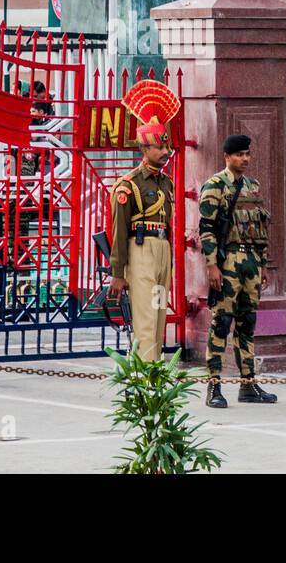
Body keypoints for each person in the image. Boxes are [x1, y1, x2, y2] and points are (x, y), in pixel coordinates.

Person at [199, 133, 277, 407]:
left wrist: (264, 264)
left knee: (247, 324)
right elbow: (206, 230)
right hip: (228, 262)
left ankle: (248, 385)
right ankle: (214, 387)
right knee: (221, 323)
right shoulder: (214, 186)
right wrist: (212, 265)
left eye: (247, 154)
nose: (245, 159)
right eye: (239, 155)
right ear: (227, 157)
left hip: (251, 264)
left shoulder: (253, 187)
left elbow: (261, 230)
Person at [107, 80, 180, 362]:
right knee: (146, 317)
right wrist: (118, 272)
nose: (165, 152)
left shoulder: (166, 183)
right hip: (141, 252)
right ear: (144, 149)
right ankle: (146, 376)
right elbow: (119, 230)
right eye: (160, 148)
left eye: (166, 146)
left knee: (159, 312)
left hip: (162, 253)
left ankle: (156, 368)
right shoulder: (129, 185)